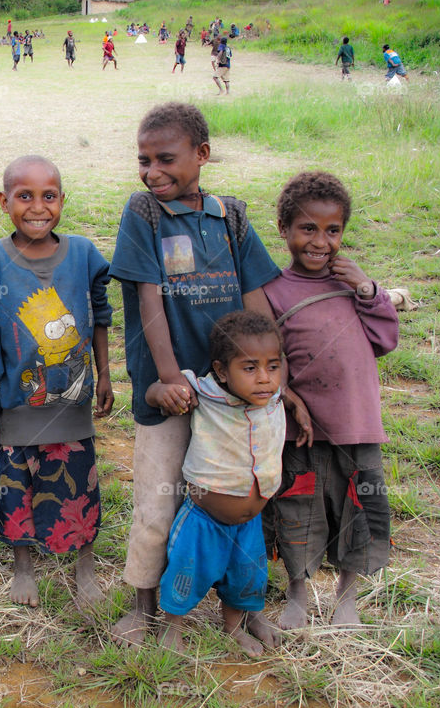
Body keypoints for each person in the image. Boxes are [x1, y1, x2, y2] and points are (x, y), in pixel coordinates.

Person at [107, 103, 299, 646]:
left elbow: (256, 296)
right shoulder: (143, 213)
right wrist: (170, 379)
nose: (151, 171)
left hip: (236, 398)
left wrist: (272, 377)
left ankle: (241, 608)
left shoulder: (231, 215)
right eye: (143, 160)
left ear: (202, 155)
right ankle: (144, 605)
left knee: (244, 500)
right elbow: (149, 298)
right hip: (170, 394)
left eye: (165, 158)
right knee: (157, 502)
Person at [0, 155, 114, 609]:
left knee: (79, 479)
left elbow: (100, 316)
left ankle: (85, 565)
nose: (38, 207)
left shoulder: (85, 253)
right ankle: (23, 566)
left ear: (62, 200)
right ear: (4, 201)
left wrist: (106, 373)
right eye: (25, 196)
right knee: (16, 482)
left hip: (73, 401)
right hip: (19, 401)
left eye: (49, 196)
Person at [263, 172, 397, 630]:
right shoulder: (274, 290)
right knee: (297, 510)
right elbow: (270, 358)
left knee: (358, 508)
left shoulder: (351, 285)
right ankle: (297, 596)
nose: (321, 241)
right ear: (283, 230)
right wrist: (287, 396)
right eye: (307, 229)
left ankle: (347, 598)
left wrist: (368, 289)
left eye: (333, 230)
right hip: (302, 432)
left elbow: (386, 339)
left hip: (357, 426)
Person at [156, 311, 285, 657]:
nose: (264, 379)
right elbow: (159, 388)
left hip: (250, 523)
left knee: (247, 577)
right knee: (187, 571)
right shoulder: (203, 392)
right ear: (222, 371)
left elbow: (283, 390)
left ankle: (233, 627)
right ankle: (172, 626)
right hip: (203, 520)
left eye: (273, 367)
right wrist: (162, 394)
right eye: (249, 368)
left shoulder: (275, 398)